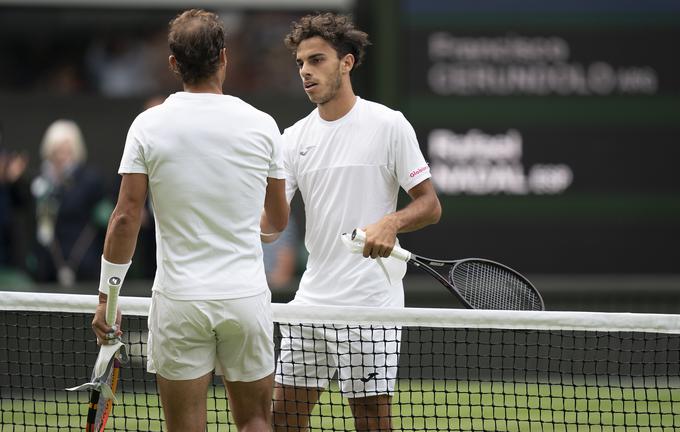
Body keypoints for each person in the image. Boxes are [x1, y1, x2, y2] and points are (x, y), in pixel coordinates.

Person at [90, 9, 289, 432]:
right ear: (224, 58)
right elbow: (277, 220)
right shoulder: (263, 125)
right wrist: (255, 227)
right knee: (256, 420)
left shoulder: (148, 125)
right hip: (245, 298)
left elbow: (125, 218)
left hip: (180, 301)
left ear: (173, 64)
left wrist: (108, 297)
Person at [272, 12, 441, 432]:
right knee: (282, 419)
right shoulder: (291, 139)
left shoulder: (389, 125)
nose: (306, 72)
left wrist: (391, 223)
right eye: (300, 64)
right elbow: (272, 221)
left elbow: (430, 205)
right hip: (311, 302)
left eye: (317, 60)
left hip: (370, 306)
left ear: (346, 63)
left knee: (370, 421)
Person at [30, 119, 109, 286]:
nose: (61, 156)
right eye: (57, 151)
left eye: (66, 150)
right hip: (47, 264)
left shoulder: (90, 180)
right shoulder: (40, 181)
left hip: (82, 262)